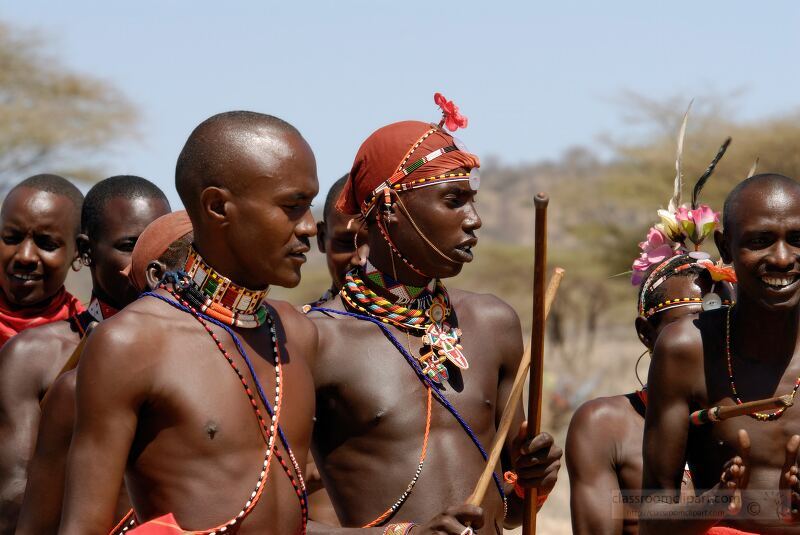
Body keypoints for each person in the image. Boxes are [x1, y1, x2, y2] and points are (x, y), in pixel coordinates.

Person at [307, 94, 562, 534]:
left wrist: (529, 482)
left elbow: (512, 513)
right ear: (390, 208)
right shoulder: (316, 340)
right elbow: (265, 520)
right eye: (453, 200)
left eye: (473, 199)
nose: (474, 219)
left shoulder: (493, 323)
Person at [59, 111, 321, 534]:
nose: (309, 227)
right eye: (293, 207)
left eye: (309, 206)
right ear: (218, 207)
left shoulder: (296, 334)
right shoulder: (132, 342)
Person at [0, 175, 170, 532]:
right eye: (130, 246)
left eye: (162, 250)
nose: (151, 265)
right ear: (86, 250)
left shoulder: (197, 350)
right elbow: (14, 499)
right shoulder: (35, 355)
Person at [641, 174, 800, 534]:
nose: (781, 258)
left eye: (797, 240)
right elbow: (650, 514)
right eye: (760, 241)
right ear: (726, 248)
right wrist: (713, 502)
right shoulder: (687, 350)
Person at [566, 254, 732, 535]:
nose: (704, 343)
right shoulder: (605, 425)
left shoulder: (757, 415)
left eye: (725, 327)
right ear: (646, 333)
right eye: (690, 327)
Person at [0, 174, 84, 348]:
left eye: (47, 244)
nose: (25, 256)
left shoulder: (86, 339)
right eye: (11, 237)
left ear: (78, 251)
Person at [310, 174, 368, 307]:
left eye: (379, 245)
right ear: (322, 238)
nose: (362, 260)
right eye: (347, 242)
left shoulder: (421, 324)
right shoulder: (298, 325)